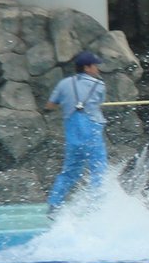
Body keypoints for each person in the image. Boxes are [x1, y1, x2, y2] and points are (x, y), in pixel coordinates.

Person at [45, 50, 108, 216]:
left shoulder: (64, 84)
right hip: (92, 131)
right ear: (87, 68)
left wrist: (66, 104)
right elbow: (98, 103)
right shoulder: (99, 85)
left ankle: (54, 206)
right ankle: (97, 207)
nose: (97, 69)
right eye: (95, 66)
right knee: (98, 169)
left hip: (73, 135)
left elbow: (50, 105)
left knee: (70, 171)